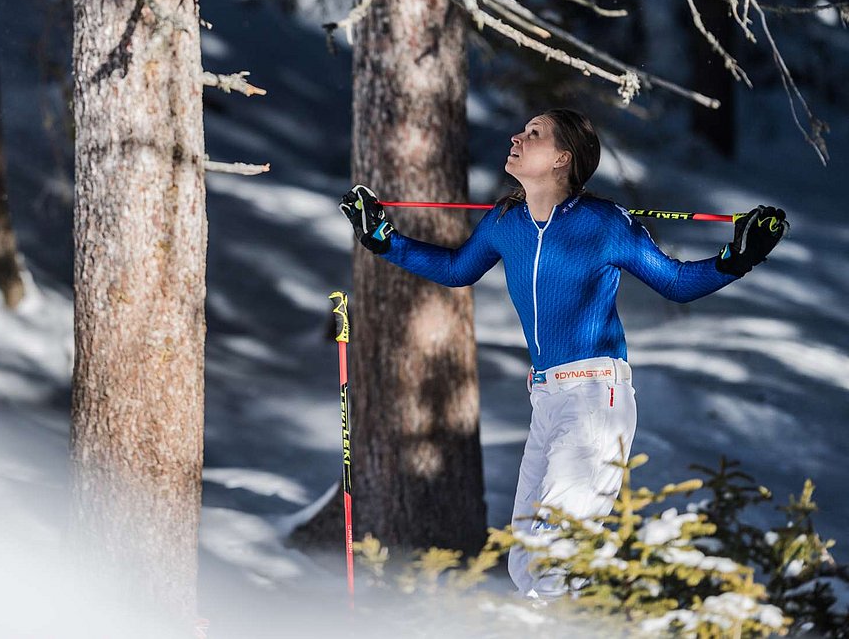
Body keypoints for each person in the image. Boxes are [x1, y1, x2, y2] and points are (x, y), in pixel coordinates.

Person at [338, 108, 788, 599]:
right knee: (524, 557)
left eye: (534, 133)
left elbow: (676, 282)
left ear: (561, 159)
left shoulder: (604, 222)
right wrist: (384, 242)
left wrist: (740, 257)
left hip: (597, 397)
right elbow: (455, 269)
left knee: (557, 552)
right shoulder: (505, 222)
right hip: (546, 400)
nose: (516, 136)